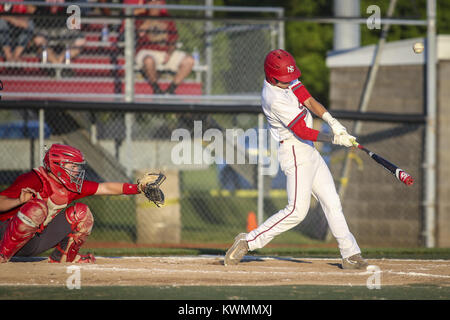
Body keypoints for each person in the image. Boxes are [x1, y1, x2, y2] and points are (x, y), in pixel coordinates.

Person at [224, 49, 369, 270]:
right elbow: (301, 130)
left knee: (332, 202)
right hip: (294, 151)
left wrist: (333, 122)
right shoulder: (272, 98)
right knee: (296, 211)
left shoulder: (287, 78)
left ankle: (350, 254)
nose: (290, 81)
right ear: (272, 77)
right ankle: (248, 241)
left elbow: (308, 100)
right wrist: (334, 139)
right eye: (284, 79)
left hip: (309, 150)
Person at [0, 144, 164, 263]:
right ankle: (2, 255)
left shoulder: (71, 187)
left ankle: (62, 257)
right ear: (58, 166)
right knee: (37, 208)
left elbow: (105, 187)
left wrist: (137, 188)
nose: (77, 171)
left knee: (82, 213)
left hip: (34, 241)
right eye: (73, 166)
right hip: (6, 235)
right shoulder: (34, 179)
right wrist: (19, 201)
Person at [128, 0, 194, 94]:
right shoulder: (141, 16)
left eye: (158, 2)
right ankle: (156, 89)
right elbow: (141, 33)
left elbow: (173, 39)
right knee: (148, 60)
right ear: (147, 4)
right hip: (146, 51)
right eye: (153, 2)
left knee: (189, 60)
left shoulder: (167, 17)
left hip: (164, 52)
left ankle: (171, 90)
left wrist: (169, 53)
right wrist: (152, 17)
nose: (156, 5)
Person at [32, 0, 86, 64]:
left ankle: (60, 61)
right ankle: (56, 64)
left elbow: (75, 26)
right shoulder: (41, 8)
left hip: (64, 32)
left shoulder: (70, 6)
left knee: (80, 40)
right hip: (47, 32)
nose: (55, 1)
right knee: (38, 41)